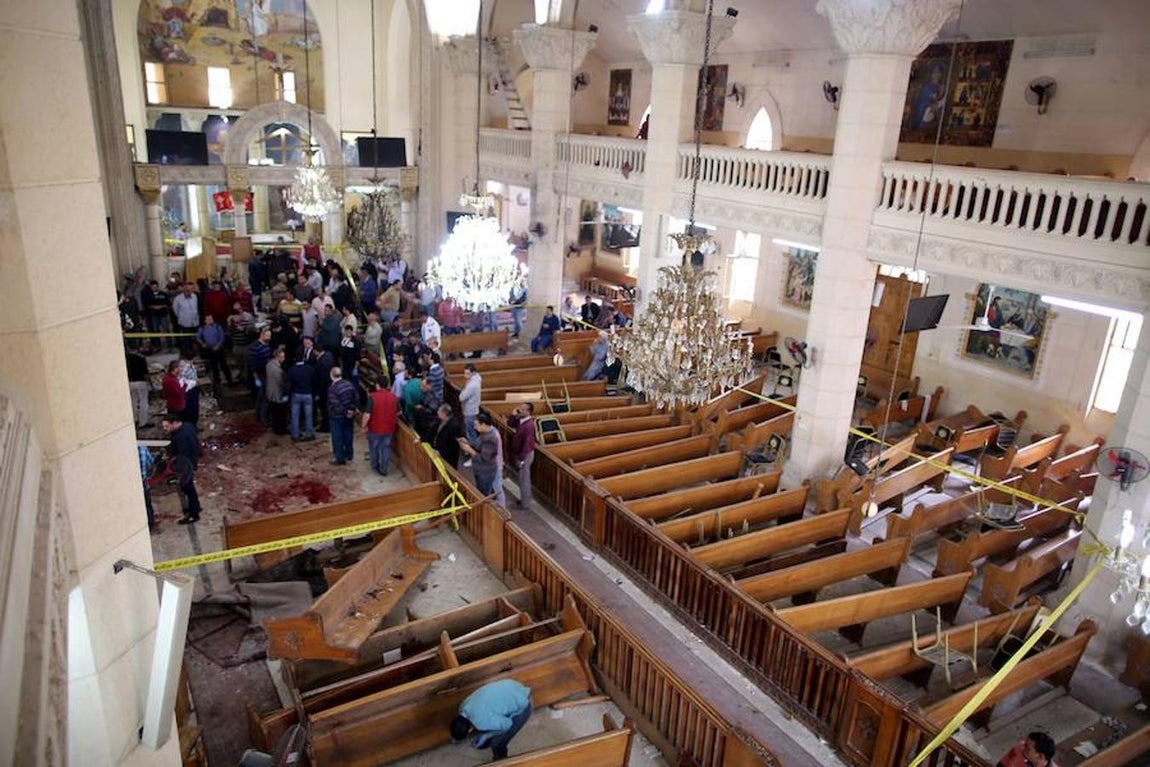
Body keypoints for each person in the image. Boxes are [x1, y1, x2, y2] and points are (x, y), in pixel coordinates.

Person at [449, 679, 532, 761]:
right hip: (512, 685)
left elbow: (507, 725)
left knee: (497, 744)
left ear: (469, 730)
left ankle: (500, 762)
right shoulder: (463, 706)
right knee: (491, 726)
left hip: (524, 701)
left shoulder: (481, 722)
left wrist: (486, 736)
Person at [161, 412, 201, 525]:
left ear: (174, 423)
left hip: (185, 466)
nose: (165, 429)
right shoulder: (187, 426)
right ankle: (195, 507)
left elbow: (180, 455)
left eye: (167, 426)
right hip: (190, 462)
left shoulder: (180, 437)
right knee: (189, 488)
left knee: (188, 488)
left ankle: (194, 514)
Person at [459, 412, 505, 506]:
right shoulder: (484, 432)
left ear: (483, 424)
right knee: (483, 490)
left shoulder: (492, 437)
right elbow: (478, 445)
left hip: (487, 470)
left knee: (487, 493)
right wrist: (468, 443)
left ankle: (499, 510)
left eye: (476, 425)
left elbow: (485, 458)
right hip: (480, 469)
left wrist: (469, 450)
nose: (474, 427)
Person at [362, 378, 398, 476]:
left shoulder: (372, 397)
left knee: (373, 448)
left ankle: (374, 465)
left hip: (374, 428)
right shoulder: (393, 397)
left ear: (377, 385)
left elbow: (367, 415)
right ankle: (384, 469)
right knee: (385, 448)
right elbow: (399, 412)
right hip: (389, 429)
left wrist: (363, 426)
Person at [327, 366, 358, 465]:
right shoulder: (349, 384)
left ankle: (339, 457)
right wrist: (351, 410)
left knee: (337, 438)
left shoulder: (332, 389)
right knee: (348, 435)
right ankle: (349, 454)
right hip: (349, 416)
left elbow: (335, 404)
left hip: (337, 417)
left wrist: (345, 412)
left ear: (331, 375)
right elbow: (355, 398)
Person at [508, 401, 536, 509]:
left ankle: (525, 504)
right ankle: (525, 500)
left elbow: (527, 445)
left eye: (522, 409)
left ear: (528, 412)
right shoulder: (521, 419)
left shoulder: (529, 425)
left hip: (525, 455)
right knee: (522, 478)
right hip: (521, 453)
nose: (520, 409)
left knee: (524, 479)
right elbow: (510, 423)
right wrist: (513, 415)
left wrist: (521, 459)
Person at [196, 315, 233, 396]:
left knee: (224, 365)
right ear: (205, 321)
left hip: (219, 350)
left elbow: (222, 337)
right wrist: (203, 343)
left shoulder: (217, 327)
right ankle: (217, 383)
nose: (210, 320)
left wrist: (218, 345)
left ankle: (230, 381)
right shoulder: (202, 329)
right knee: (214, 366)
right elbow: (198, 337)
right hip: (210, 350)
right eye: (208, 319)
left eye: (211, 319)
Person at [286, 353, 316, 441]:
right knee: (308, 415)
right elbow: (314, 381)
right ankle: (309, 434)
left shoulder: (291, 370)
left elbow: (289, 384)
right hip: (307, 393)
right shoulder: (310, 369)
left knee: (295, 415)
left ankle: (295, 435)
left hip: (296, 394)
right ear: (303, 359)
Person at [264, 346, 289, 435]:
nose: (284, 359)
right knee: (281, 415)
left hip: (270, 393)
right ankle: (281, 430)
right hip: (278, 395)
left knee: (274, 413)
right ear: (277, 357)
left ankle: (275, 428)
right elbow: (282, 384)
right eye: (282, 357)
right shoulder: (278, 371)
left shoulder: (269, 365)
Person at [430, 403, 462, 468]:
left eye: (439, 411)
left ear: (444, 414)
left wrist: (441, 452)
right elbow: (432, 432)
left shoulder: (454, 426)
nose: (437, 412)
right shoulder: (440, 420)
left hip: (448, 458)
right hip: (438, 450)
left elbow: (453, 446)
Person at [458, 363, 482, 450]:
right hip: (474, 409)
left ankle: (472, 449)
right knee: (472, 430)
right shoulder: (478, 378)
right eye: (464, 373)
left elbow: (461, 397)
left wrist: (464, 389)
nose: (465, 376)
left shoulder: (472, 385)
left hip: (470, 411)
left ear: (473, 373)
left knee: (470, 432)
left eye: (467, 373)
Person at [126, 348, 150, 428]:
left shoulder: (125, 358)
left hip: (130, 382)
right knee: (143, 402)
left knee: (133, 401)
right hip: (140, 381)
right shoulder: (141, 358)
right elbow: (145, 373)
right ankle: (143, 422)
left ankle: (134, 419)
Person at [138, 445, 157, 532]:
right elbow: (150, 464)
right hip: (144, 484)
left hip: (133, 488)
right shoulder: (143, 449)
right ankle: (150, 524)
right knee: (147, 505)